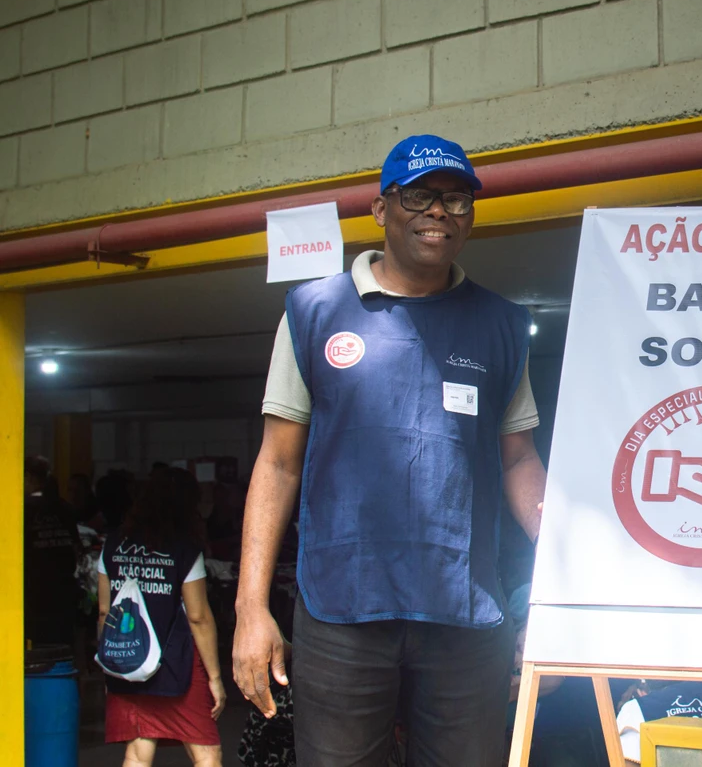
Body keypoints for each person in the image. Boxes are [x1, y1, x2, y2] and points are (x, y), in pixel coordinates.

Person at [234, 134, 546, 767]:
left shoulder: (500, 325)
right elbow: (278, 463)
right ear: (381, 209)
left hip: (465, 608)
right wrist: (249, 608)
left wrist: (566, 570)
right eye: (420, 196)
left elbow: (519, 459)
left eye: (456, 200)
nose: (439, 212)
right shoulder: (313, 312)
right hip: (341, 607)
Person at [97, 467, 226, 766]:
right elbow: (198, 617)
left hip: (130, 659)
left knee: (138, 753)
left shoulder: (113, 544)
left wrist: (110, 663)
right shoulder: (185, 550)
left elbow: (105, 611)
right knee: (207, 754)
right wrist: (215, 678)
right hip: (178, 666)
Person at [24, 455, 82, 648]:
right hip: (63, 591)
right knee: (62, 646)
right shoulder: (64, 508)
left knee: (37, 647)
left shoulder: (21, 509)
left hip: (34, 592)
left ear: (28, 477)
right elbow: (76, 547)